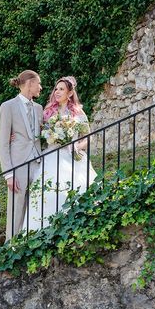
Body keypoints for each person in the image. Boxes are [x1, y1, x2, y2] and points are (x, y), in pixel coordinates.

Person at [23, 76, 97, 232]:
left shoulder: (78, 112)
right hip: (51, 155)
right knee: (48, 194)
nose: (57, 92)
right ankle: (42, 230)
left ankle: (73, 227)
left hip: (72, 157)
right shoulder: (48, 111)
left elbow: (88, 138)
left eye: (61, 89)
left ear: (70, 93)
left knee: (75, 189)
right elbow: (35, 131)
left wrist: (77, 146)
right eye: (56, 89)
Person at [0, 69, 43, 241]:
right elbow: (3, 143)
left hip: (38, 162)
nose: (40, 87)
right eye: (38, 83)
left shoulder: (39, 109)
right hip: (18, 165)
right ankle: (12, 245)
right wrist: (8, 174)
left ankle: (31, 241)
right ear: (30, 83)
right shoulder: (7, 107)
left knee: (37, 204)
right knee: (16, 206)